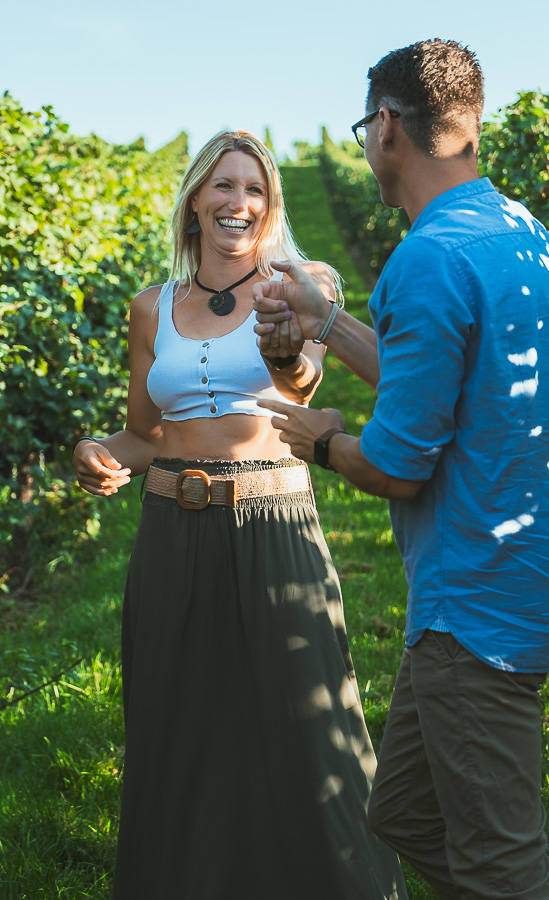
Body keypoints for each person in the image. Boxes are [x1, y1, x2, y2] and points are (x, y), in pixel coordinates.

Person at [253, 40, 549, 900]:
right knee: (402, 811)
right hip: (523, 572)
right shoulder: (521, 232)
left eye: (367, 125)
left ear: (388, 127)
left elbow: (399, 467)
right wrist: (326, 319)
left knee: (499, 868)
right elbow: (439, 380)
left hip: (471, 606)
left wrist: (322, 438)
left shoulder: (427, 259)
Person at [72, 130, 405, 900]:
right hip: (171, 531)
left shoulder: (300, 282)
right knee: (177, 724)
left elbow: (302, 385)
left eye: (254, 190)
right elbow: (146, 435)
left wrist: (289, 351)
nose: (239, 203)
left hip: (274, 525)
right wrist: (95, 448)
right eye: (223, 186)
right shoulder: (151, 307)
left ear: (271, 204)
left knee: (307, 725)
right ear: (195, 200)